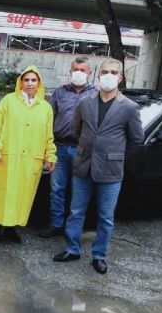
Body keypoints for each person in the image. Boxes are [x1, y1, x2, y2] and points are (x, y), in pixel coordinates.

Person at [54, 58, 143, 274]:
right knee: (76, 211)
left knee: (105, 217)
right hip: (83, 166)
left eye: (114, 72)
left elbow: (137, 139)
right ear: (98, 75)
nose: (109, 75)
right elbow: (77, 131)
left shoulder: (129, 107)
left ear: (120, 78)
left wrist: (115, 155)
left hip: (111, 171)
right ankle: (73, 249)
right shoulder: (85, 103)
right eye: (105, 71)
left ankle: (99, 255)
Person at [0, 66, 57, 247]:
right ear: (20, 82)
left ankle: (10, 228)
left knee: (21, 196)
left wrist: (50, 155)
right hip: (6, 158)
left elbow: (49, 135)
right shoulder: (8, 101)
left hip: (30, 161)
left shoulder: (45, 108)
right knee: (1, 194)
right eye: (26, 80)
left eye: (33, 80)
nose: (30, 83)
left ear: (39, 83)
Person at [39, 57, 97, 238]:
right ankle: (56, 224)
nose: (78, 72)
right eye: (75, 69)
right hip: (60, 148)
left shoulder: (96, 94)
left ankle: (73, 228)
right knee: (57, 188)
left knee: (80, 191)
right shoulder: (60, 93)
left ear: (90, 73)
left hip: (83, 150)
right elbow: (48, 119)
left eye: (82, 69)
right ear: (71, 71)